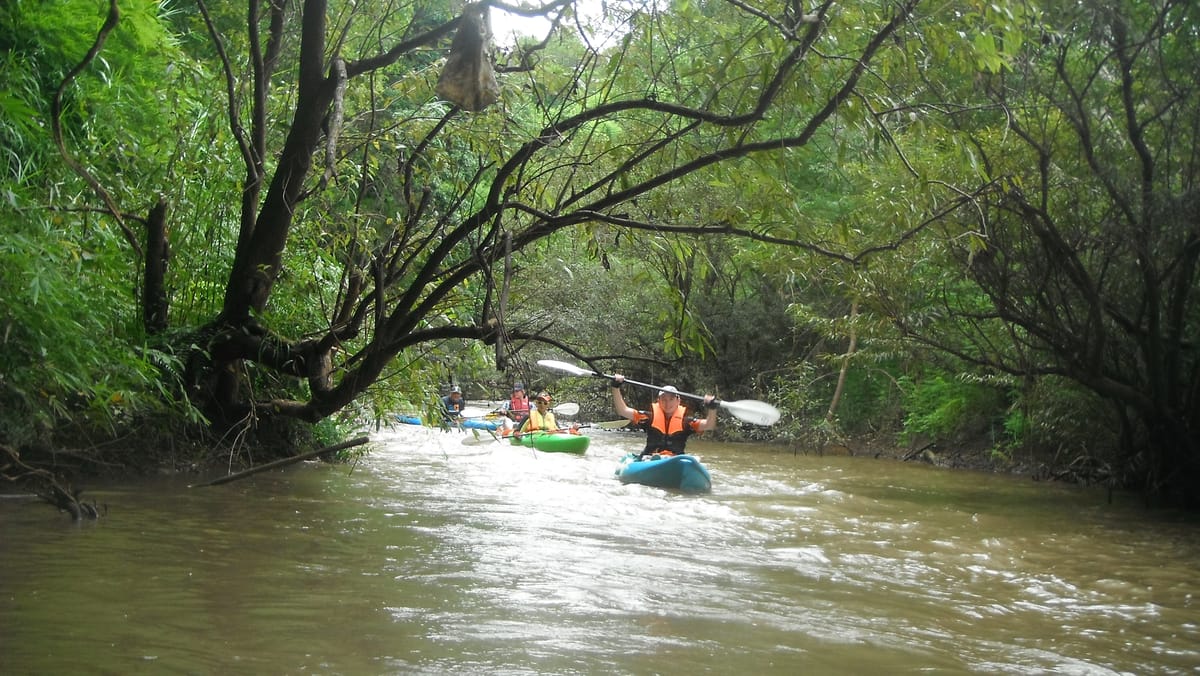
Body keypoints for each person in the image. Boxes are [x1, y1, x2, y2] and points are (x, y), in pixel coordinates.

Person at [610, 375, 717, 458]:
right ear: (658, 401)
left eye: (671, 399)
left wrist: (712, 408)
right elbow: (622, 411)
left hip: (675, 460)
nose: (667, 403)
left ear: (678, 401)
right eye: (664, 399)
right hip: (650, 458)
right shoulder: (648, 418)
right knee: (653, 458)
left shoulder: (687, 422)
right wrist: (616, 387)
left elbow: (709, 425)